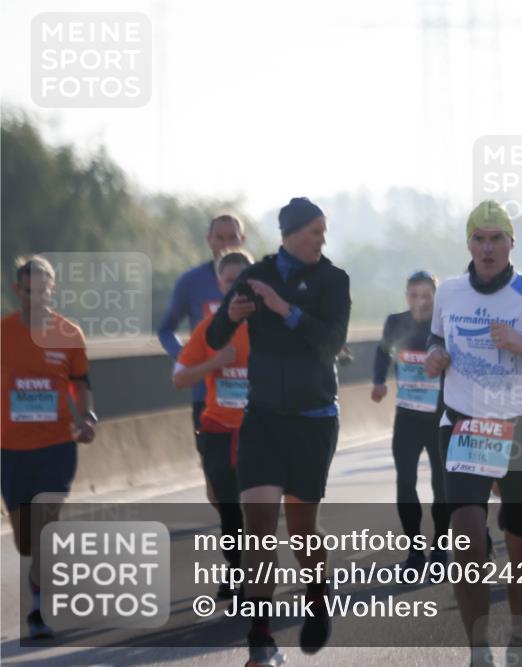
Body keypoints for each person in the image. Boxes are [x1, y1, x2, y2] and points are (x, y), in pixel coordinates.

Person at [423, 200, 522, 666]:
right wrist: (435, 354)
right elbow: (437, 337)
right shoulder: (449, 292)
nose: (488, 247)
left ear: (512, 244)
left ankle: (520, 641)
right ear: (469, 243)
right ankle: (479, 650)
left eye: (497, 239)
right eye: (480, 238)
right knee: (467, 543)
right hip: (463, 424)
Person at [207, 197, 350, 666]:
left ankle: (317, 590)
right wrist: (233, 316)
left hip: (313, 420)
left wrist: (283, 309)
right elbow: (212, 337)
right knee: (260, 527)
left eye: (324, 232)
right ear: (290, 233)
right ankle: (261, 638)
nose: (322, 240)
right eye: (315, 231)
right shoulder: (256, 275)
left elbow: (333, 341)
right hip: (263, 418)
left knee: (302, 529)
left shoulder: (334, 280)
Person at [2, 255, 98, 638]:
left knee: (45, 521)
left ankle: (40, 609)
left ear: (52, 290)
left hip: (57, 445)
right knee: (25, 536)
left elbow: (81, 382)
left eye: (44, 291)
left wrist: (87, 417)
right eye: (29, 292)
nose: (37, 298)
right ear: (17, 291)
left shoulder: (69, 333)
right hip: (9, 449)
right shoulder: (3, 332)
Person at [173, 249, 254, 600]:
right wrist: (216, 362)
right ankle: (235, 570)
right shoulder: (208, 330)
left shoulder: (269, 328)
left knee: (256, 507)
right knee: (227, 506)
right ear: (219, 285)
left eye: (241, 278)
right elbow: (179, 378)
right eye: (227, 279)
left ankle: (254, 573)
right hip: (218, 428)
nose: (234, 286)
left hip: (260, 431)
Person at [371, 270, 449, 572]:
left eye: (426, 296)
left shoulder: (443, 325)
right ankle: (415, 550)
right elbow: (382, 353)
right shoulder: (396, 322)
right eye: (414, 296)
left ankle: (440, 546)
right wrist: (379, 381)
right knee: (405, 482)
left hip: (439, 417)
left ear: (435, 297)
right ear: (407, 297)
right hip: (407, 417)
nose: (420, 302)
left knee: (441, 486)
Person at [159, 214, 246, 433]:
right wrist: (185, 355)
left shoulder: (258, 278)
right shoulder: (191, 281)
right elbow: (166, 328)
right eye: (220, 237)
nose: (226, 244)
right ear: (209, 240)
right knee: (216, 465)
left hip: (255, 402)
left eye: (232, 237)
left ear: (242, 239)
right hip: (206, 393)